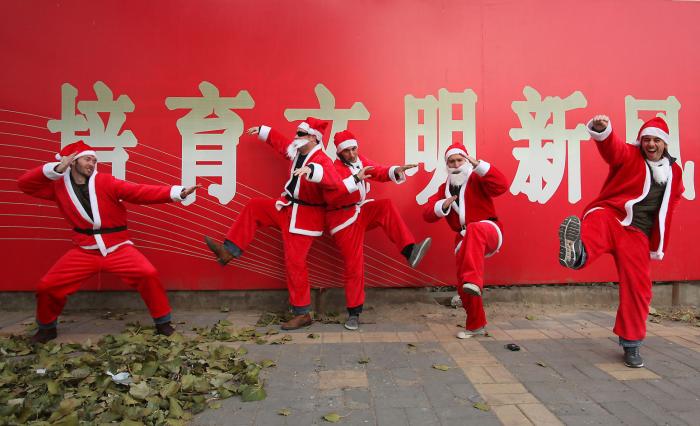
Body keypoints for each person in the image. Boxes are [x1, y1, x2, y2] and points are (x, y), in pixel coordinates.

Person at [17, 140, 199, 343]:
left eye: (94, 160)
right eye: (87, 159)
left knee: (148, 274)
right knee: (47, 286)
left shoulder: (105, 182)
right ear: (72, 162)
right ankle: (47, 328)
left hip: (117, 247)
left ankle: (163, 323)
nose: (92, 164)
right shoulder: (58, 188)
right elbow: (25, 184)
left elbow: (139, 192)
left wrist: (176, 193)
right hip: (84, 250)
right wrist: (56, 169)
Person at [204, 118, 358, 330]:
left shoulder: (322, 160)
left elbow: (333, 181)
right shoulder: (297, 152)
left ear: (313, 138)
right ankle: (228, 251)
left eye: (301, 134)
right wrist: (263, 131)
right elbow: (281, 144)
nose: (296, 137)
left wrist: (311, 172)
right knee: (255, 207)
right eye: (297, 133)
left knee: (295, 263)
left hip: (306, 217)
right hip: (286, 208)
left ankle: (303, 313)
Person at [559, 115, 684, 368]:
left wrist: (658, 238)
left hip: (637, 233)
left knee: (639, 287)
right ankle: (578, 253)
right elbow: (612, 149)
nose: (650, 144)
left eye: (656, 140)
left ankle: (631, 343)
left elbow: (672, 203)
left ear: (665, 144)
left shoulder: (675, 172)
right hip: (613, 216)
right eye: (646, 139)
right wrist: (601, 130)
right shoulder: (629, 155)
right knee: (597, 224)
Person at [327, 130, 432, 330]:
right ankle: (354, 313)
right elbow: (335, 194)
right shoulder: (334, 168)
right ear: (340, 153)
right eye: (347, 151)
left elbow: (377, 170)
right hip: (343, 221)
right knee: (354, 265)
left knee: (385, 206)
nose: (352, 153)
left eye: (354, 148)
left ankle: (410, 250)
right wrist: (356, 179)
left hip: (361, 211)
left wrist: (396, 170)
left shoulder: (359, 160)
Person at [423, 143, 507, 339]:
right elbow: (427, 214)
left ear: (467, 160)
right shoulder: (443, 189)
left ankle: (473, 279)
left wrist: (479, 165)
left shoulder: (478, 178)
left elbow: (501, 186)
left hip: (488, 230)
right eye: (451, 161)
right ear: (447, 165)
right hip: (464, 237)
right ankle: (476, 325)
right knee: (464, 285)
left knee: (475, 229)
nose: (456, 164)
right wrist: (441, 205)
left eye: (460, 160)